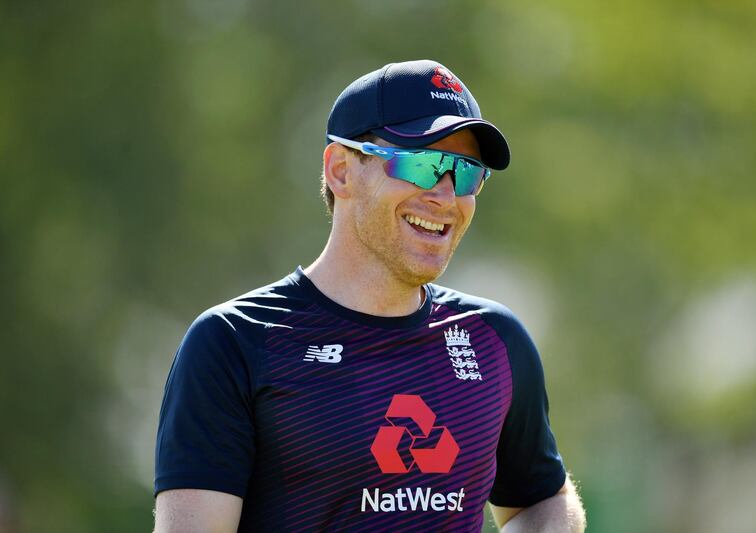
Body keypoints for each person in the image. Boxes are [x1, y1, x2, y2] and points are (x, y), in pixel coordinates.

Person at [153, 59, 586, 533]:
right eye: (422, 165)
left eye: (466, 173)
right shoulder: (235, 342)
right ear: (341, 170)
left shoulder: (495, 339)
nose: (445, 196)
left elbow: (541, 500)